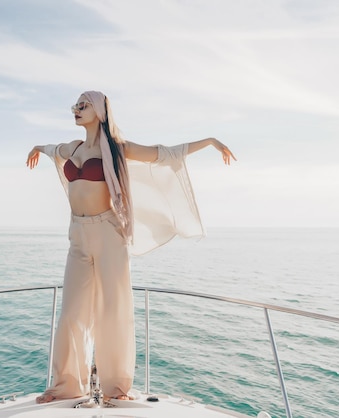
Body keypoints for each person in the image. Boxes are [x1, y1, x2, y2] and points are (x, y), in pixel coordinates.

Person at [26, 90, 235, 404]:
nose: (77, 109)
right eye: (75, 105)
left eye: (83, 105)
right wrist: (36, 148)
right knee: (71, 312)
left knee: (114, 310)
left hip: (108, 233)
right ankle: (68, 384)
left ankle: (116, 388)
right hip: (78, 235)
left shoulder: (118, 149)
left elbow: (162, 153)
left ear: (99, 110)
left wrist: (209, 141)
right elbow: (51, 148)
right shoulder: (73, 148)